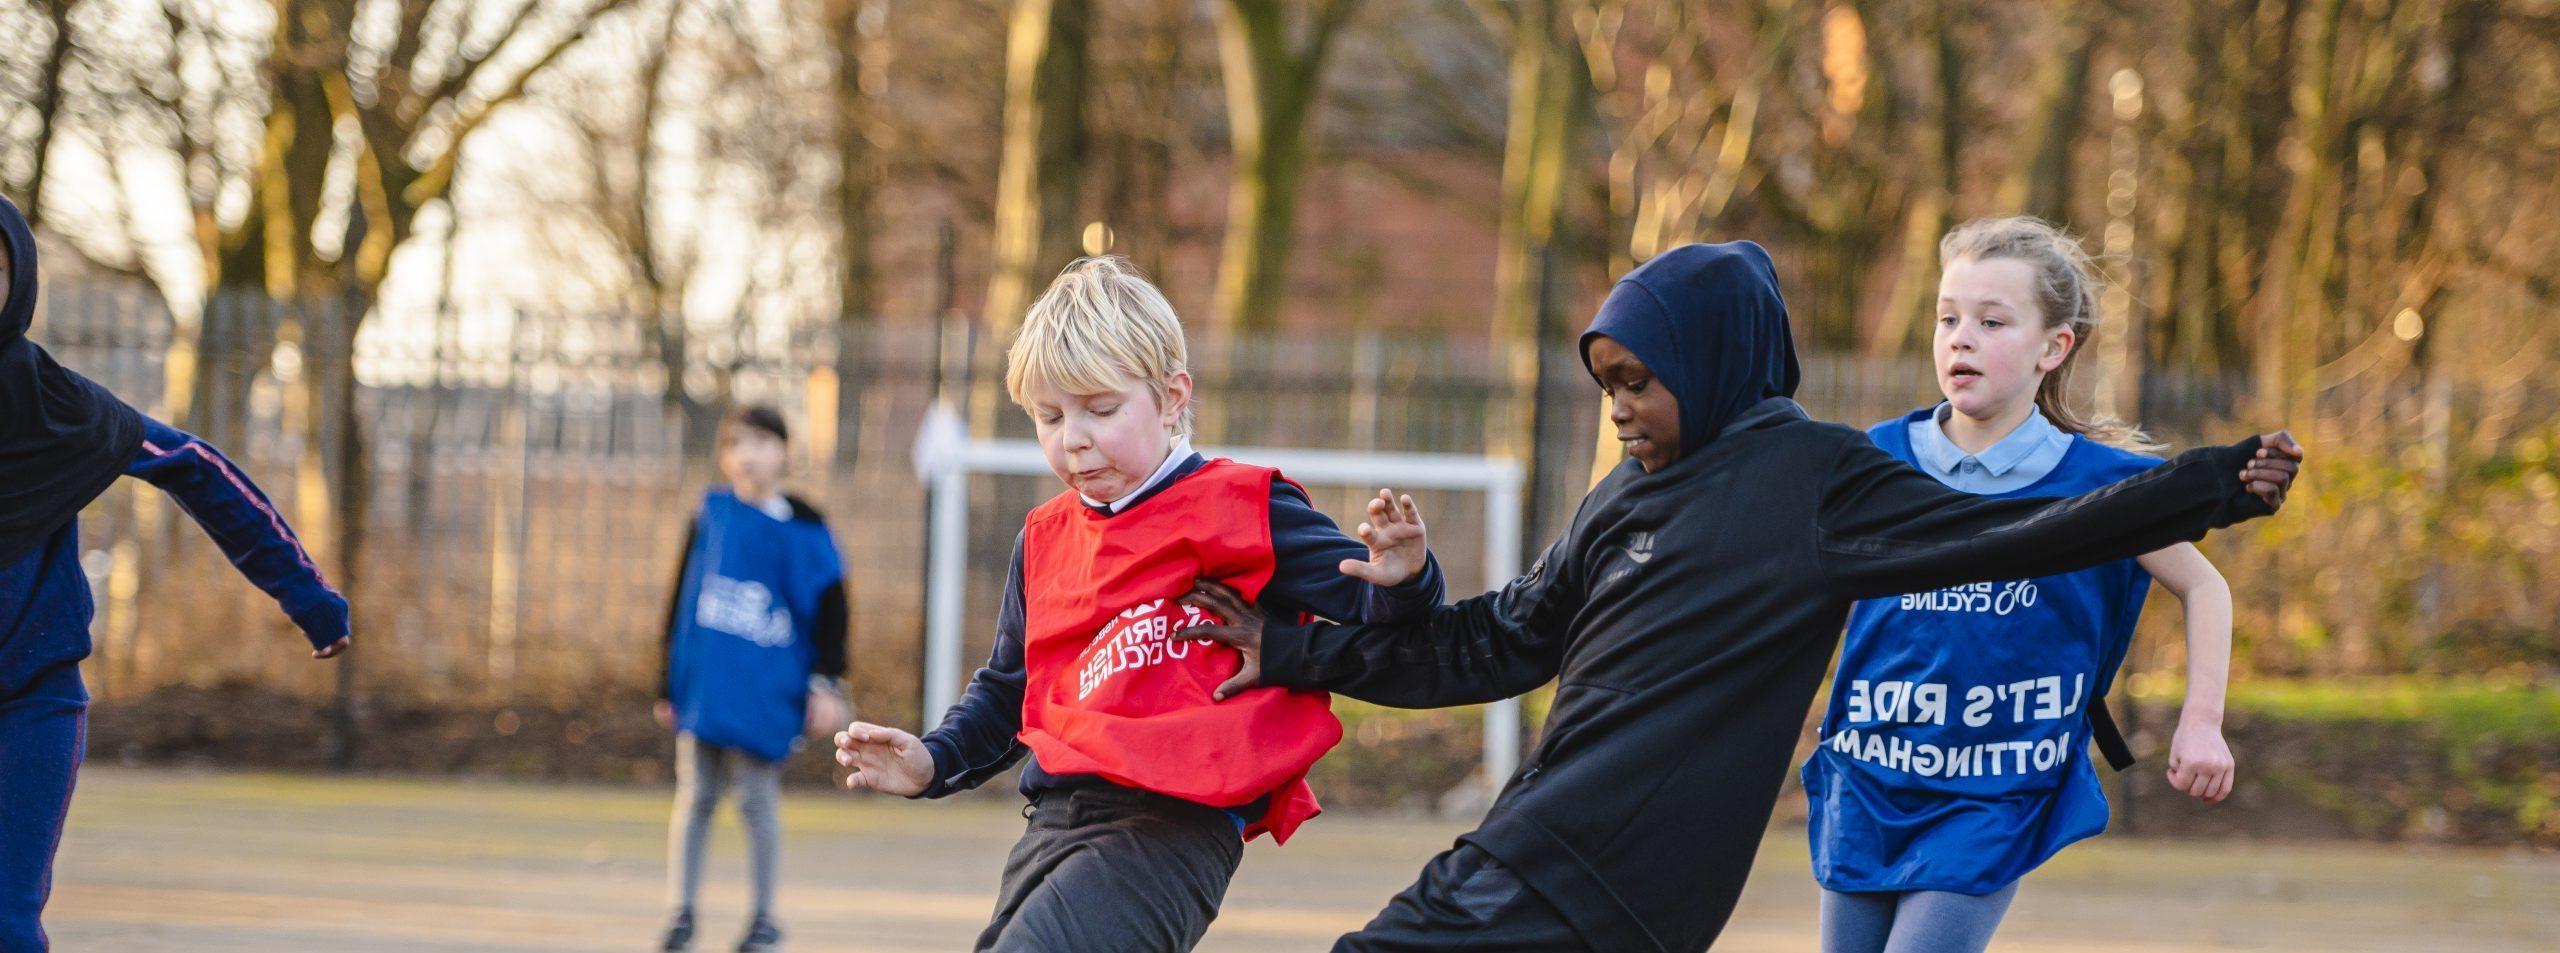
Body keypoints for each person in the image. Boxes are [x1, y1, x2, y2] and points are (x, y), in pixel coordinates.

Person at [1173, 240, 2302, 953]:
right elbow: (1502, 644)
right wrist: (1306, 648)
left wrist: (2206, 485)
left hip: (1599, 879)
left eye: (1638, 382)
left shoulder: (1813, 481)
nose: (1619, 407)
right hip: (1547, 853)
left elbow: (2022, 527)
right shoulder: (1625, 496)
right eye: (1607, 383)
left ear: (1711, 362)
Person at [830, 256, 1444, 952]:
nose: (1074, 438)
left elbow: (1379, 611)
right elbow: (1010, 691)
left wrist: (1406, 576)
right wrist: (933, 762)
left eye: (1100, 408)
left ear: (1172, 397)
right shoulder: (1042, 540)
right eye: (1049, 415)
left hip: (1173, 828)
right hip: (1055, 820)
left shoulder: (1246, 505)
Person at [1803, 217, 2241, 953]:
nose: (1960, 337)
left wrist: (2203, 719)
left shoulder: (2102, 486)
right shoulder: (1872, 463)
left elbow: (2206, 588)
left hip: (1993, 788)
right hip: (1871, 774)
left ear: (2053, 347)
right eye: (1948, 317)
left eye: (1991, 320)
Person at [0, 194, 350, 953]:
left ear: (16, 282)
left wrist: (307, 594)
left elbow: (195, 467)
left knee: (7, 923)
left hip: (31, 699)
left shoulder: (60, 409)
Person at [654, 405, 852, 953]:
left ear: (784, 451)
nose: (748, 454)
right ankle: (681, 912)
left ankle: (764, 918)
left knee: (755, 800)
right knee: (695, 796)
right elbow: (681, 597)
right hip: (707, 682)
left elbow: (833, 612)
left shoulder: (807, 530)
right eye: (737, 443)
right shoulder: (710, 515)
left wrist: (825, 681)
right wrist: (665, 682)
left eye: (761, 442)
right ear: (724, 455)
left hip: (766, 688)